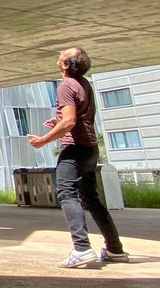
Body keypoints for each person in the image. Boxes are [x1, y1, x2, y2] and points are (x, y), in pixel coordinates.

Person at [28, 48, 127, 268]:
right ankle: (115, 249)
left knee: (66, 193)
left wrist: (43, 140)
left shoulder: (65, 85)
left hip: (74, 150)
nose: (60, 52)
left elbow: (70, 121)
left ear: (65, 64)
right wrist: (59, 122)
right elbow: (77, 118)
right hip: (90, 149)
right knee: (91, 199)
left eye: (64, 53)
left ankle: (81, 248)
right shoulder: (84, 83)